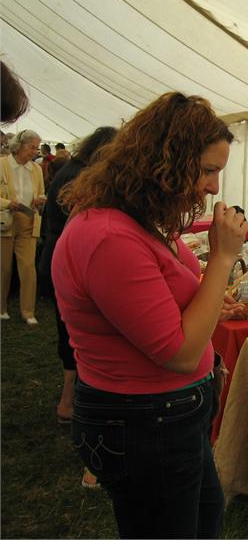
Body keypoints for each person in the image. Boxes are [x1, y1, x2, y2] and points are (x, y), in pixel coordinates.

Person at [52, 92, 247, 538]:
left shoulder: (140, 218)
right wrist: (221, 260)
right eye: (207, 170)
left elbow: (163, 304)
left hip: (170, 417)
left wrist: (209, 302)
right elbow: (177, 351)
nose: (214, 186)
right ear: (166, 161)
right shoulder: (109, 238)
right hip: (144, 424)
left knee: (202, 520)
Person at [39, 126, 118, 426]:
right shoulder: (80, 176)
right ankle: (69, 402)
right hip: (66, 260)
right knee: (73, 337)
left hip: (57, 256)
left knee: (70, 334)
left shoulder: (73, 168)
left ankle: (71, 399)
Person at [1, 129, 46, 324]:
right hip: (6, 222)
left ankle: (28, 312)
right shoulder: (2, 165)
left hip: (28, 222)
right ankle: (1, 308)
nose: (35, 152)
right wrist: (6, 204)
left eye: (37, 149)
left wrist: (39, 200)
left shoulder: (36, 169)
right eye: (32, 147)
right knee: (4, 268)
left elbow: (41, 193)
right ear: (19, 145)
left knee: (28, 267)